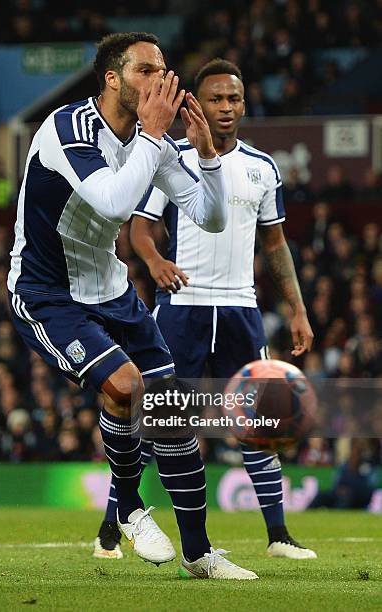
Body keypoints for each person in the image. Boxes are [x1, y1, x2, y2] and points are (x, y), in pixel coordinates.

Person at [7, 33, 257, 581]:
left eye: (164, 69)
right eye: (146, 71)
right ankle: (128, 507)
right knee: (124, 386)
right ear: (112, 79)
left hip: (113, 292)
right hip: (47, 294)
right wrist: (153, 135)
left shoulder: (156, 143)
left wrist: (208, 155)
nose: (161, 80)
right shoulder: (66, 129)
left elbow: (210, 217)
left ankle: (200, 555)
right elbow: (115, 201)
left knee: (172, 416)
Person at [98, 58, 317, 561]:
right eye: (215, 98)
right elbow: (138, 228)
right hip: (182, 310)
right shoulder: (169, 156)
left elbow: (277, 244)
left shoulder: (263, 167)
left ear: (244, 104)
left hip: (241, 309)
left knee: (259, 424)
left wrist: (298, 309)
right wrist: (153, 261)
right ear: (196, 103)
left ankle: (278, 537)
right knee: (161, 427)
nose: (225, 107)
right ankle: (112, 529)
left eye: (233, 98)